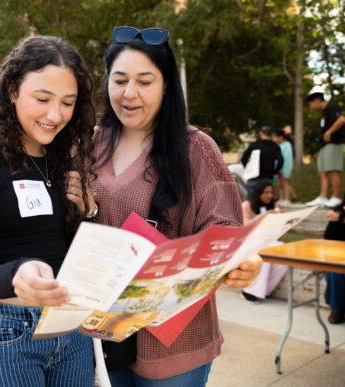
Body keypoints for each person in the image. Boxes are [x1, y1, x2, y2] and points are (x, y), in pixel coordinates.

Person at [88, 26, 263, 386]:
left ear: (166, 85)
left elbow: (225, 227)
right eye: (119, 80)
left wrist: (246, 259)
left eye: (145, 81)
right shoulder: (88, 144)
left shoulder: (196, 149)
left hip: (176, 339)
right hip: (104, 332)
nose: (129, 93)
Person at [0, 35, 96, 386]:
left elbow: (68, 249)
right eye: (42, 99)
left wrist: (89, 212)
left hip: (71, 333)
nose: (55, 114)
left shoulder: (62, 160)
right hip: (4, 335)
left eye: (68, 102)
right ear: (12, 90)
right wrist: (17, 274)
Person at [240, 181, 287, 303]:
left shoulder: (273, 206)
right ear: (258, 193)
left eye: (271, 192)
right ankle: (250, 291)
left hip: (271, 240)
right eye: (266, 193)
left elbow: (279, 232)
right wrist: (265, 215)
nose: (269, 195)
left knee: (283, 256)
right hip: (250, 242)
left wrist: (284, 223)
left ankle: (265, 290)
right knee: (264, 255)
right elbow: (244, 226)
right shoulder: (247, 205)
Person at [306, 92, 345, 208]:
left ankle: (336, 197)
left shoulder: (331, 107)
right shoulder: (324, 112)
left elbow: (342, 119)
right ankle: (323, 197)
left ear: (317, 101)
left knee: (332, 170)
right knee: (323, 171)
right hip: (324, 145)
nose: (310, 107)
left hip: (334, 143)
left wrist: (329, 132)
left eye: (310, 104)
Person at [241, 125, 284, 198]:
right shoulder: (275, 146)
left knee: (252, 201)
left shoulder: (254, 145)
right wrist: (275, 171)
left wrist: (247, 168)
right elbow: (280, 160)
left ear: (260, 133)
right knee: (267, 200)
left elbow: (244, 158)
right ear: (271, 134)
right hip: (268, 177)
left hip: (253, 177)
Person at [323, 193, 345, 324]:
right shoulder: (340, 208)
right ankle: (337, 308)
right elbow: (328, 237)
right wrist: (333, 222)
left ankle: (337, 307)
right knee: (335, 271)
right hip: (339, 253)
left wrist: (341, 217)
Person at [271, 128, 299, 205]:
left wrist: (284, 168)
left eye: (274, 137)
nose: (273, 139)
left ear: (281, 137)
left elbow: (287, 158)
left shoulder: (287, 145)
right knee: (280, 184)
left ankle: (287, 199)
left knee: (285, 183)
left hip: (284, 168)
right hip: (280, 168)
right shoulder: (280, 145)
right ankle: (282, 198)